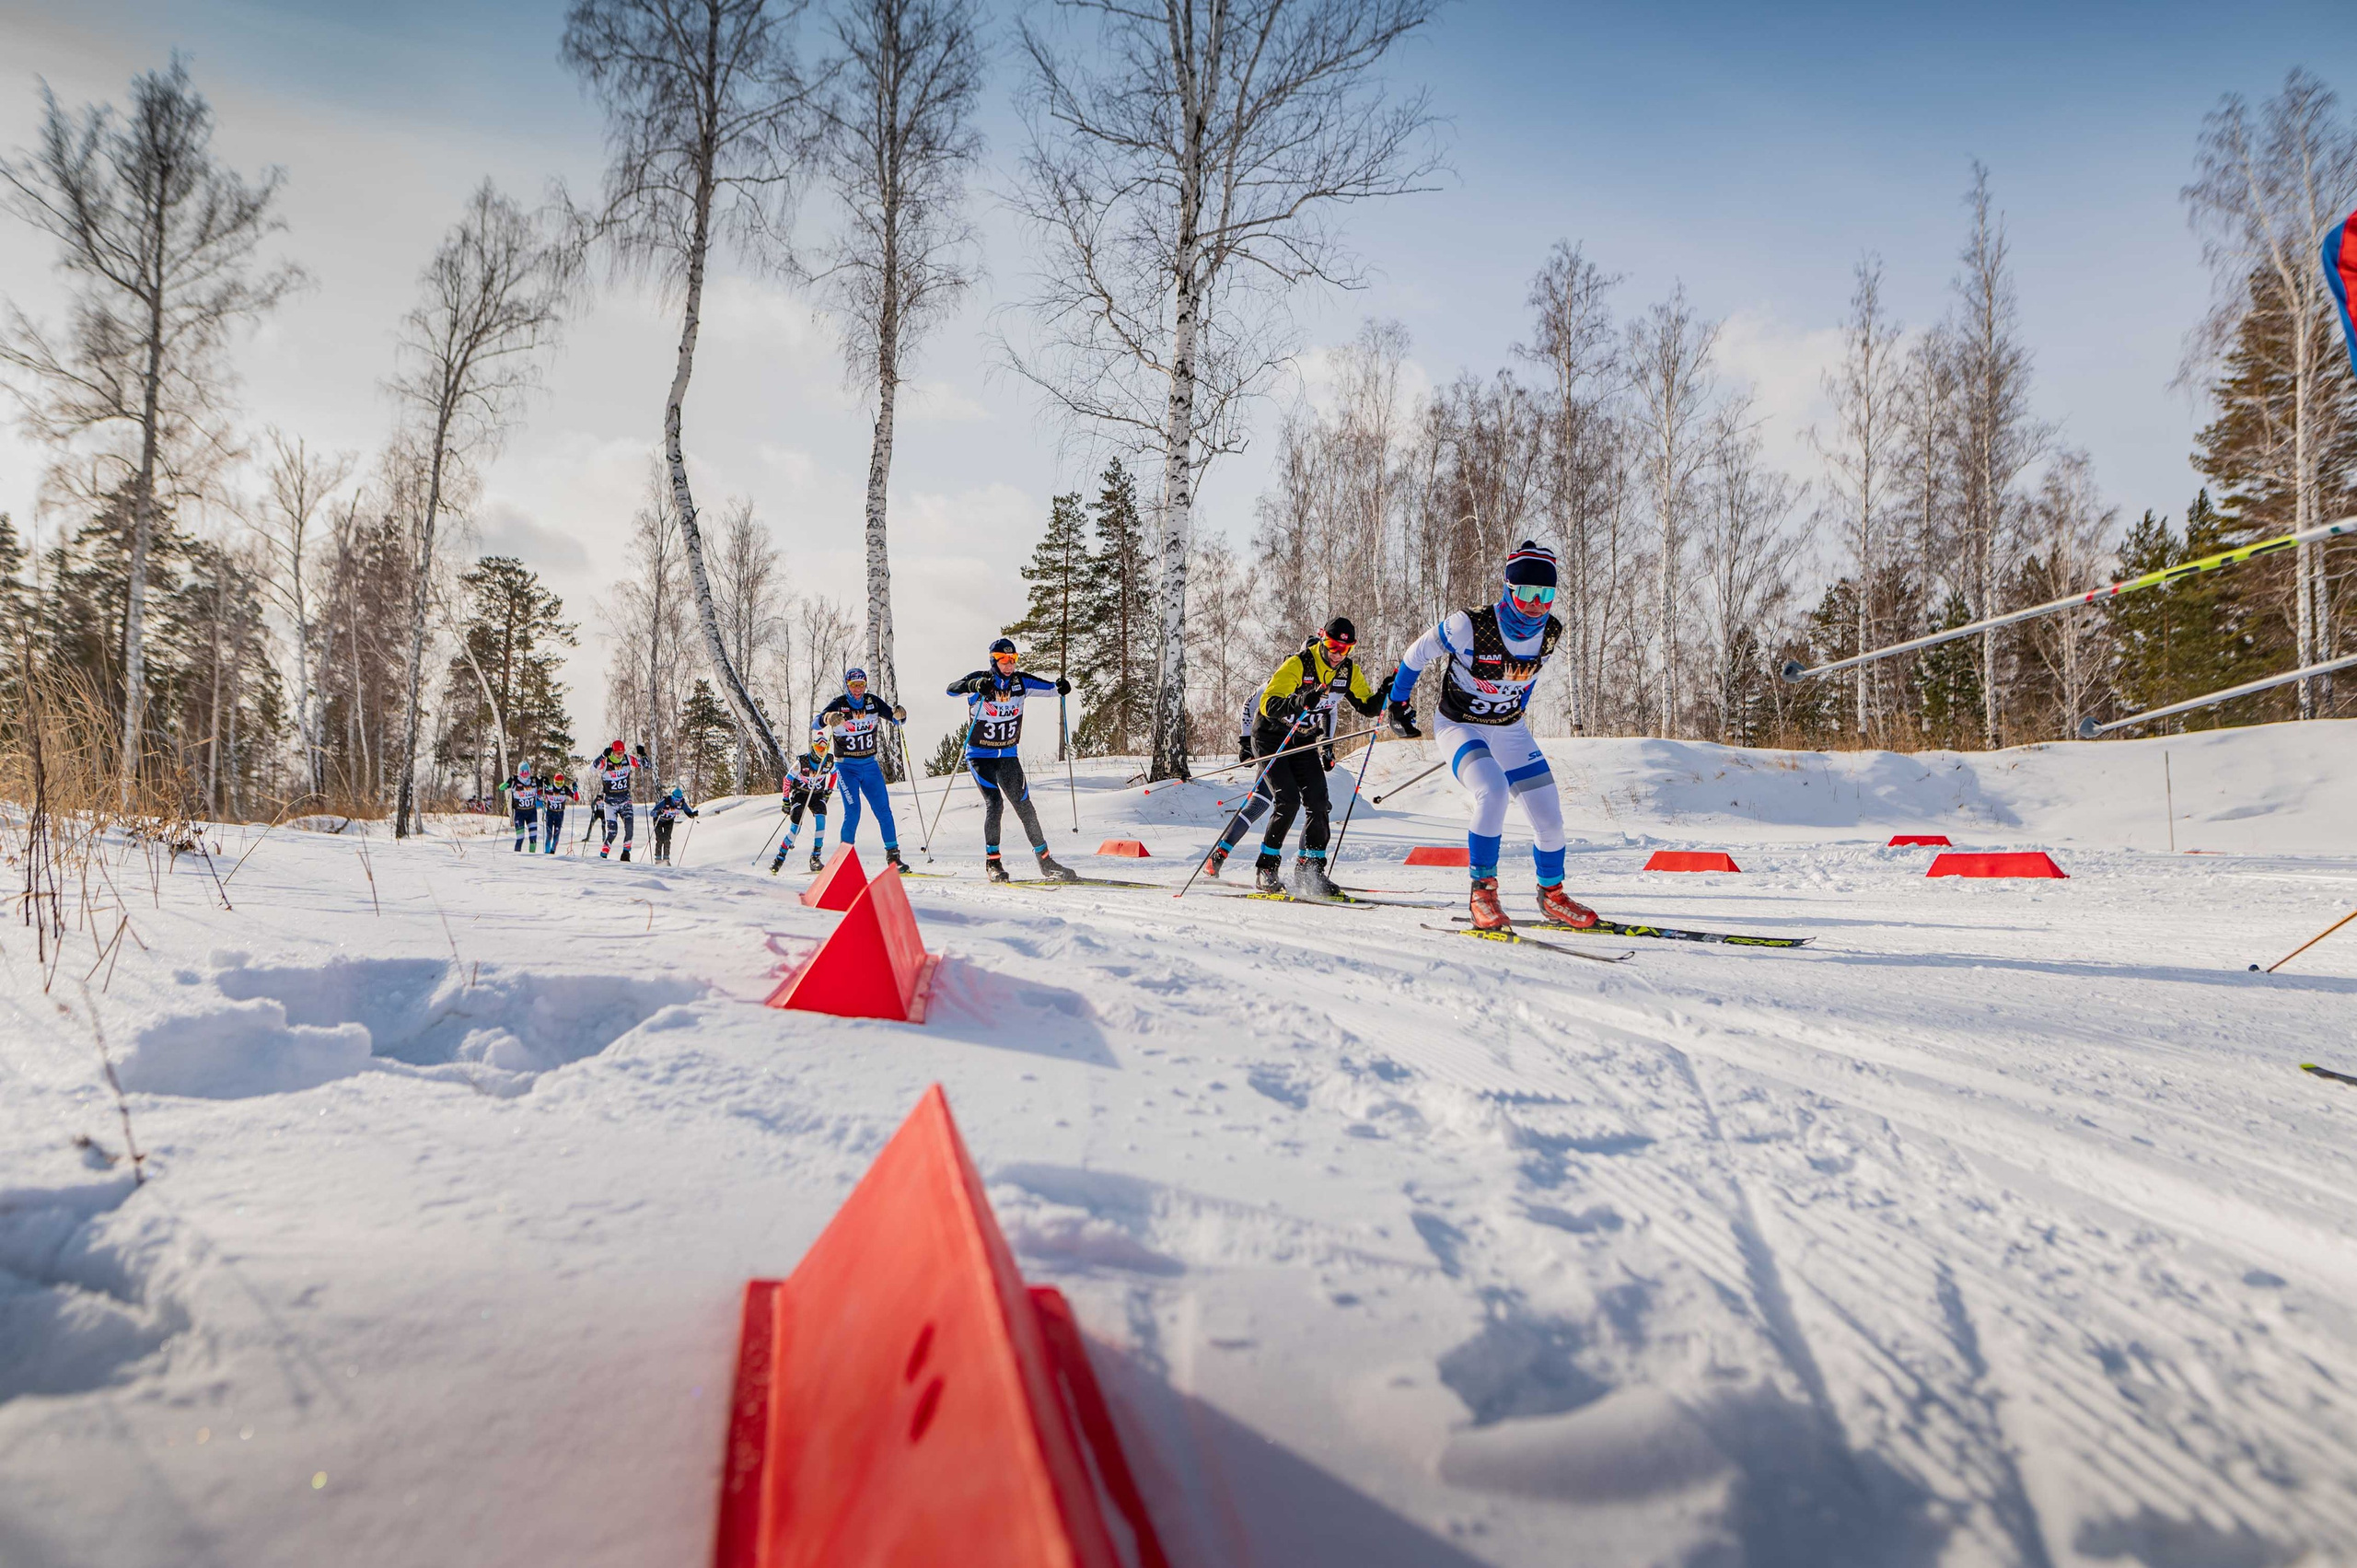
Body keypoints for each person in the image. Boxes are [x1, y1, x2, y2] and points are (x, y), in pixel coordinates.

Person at [1387, 540, 1597, 933]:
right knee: (1493, 791)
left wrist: (1511, 709)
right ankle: (1482, 892)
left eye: (1546, 595)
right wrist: (1397, 704)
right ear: (1508, 588)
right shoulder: (1470, 624)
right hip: (1459, 725)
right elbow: (1415, 655)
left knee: (1550, 817)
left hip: (1509, 729)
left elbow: (1527, 681)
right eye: (1527, 593)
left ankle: (1552, 895)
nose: (1536, 604)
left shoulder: (1550, 632)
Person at [1203, 617, 1383, 898]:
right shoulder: (1298, 664)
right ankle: (1266, 869)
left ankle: (1310, 870)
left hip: (1302, 737)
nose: (1337, 654)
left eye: (1345, 649)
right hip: (1272, 736)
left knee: (1319, 800)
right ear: (1323, 642)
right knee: (1286, 799)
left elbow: (1368, 707)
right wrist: (1300, 701)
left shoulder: (1348, 671)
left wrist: (1389, 692)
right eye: (1333, 646)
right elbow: (1267, 704)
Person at [945, 636, 1079, 883]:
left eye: (1013, 659)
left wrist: (1061, 686)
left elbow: (1051, 689)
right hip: (980, 757)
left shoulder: (1020, 682)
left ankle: (1046, 861)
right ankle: (993, 863)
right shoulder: (982, 680)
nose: (1009, 664)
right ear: (993, 660)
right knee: (995, 804)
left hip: (1008, 756)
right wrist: (975, 685)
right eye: (1004, 659)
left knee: (1025, 806)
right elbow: (952, 689)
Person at [817, 668, 908, 870]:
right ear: (847, 686)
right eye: (853, 685)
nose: (858, 690)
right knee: (853, 811)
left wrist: (900, 715)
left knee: (884, 810)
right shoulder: (839, 704)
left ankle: (893, 857)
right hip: (846, 767)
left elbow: (895, 718)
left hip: (870, 766)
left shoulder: (872, 703)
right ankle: (843, 859)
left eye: (861, 685)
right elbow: (817, 723)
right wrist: (829, 717)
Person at [770, 726, 837, 875]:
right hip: (800, 794)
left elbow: (834, 774)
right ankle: (779, 858)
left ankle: (815, 858)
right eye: (819, 747)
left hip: (817, 795)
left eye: (824, 747)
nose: (821, 751)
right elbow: (787, 780)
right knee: (796, 828)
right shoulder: (803, 761)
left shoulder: (829, 761)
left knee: (821, 819)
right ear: (814, 747)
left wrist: (829, 791)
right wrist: (785, 800)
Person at [592, 739, 648, 861]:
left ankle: (626, 853)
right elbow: (592, 768)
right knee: (612, 832)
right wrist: (602, 755)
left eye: (621, 752)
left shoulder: (627, 759)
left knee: (629, 828)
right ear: (612, 751)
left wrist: (643, 754)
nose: (620, 755)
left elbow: (647, 765)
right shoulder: (606, 761)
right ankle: (603, 855)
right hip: (610, 804)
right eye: (617, 753)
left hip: (625, 801)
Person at [652, 785, 699, 865]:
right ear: (672, 797)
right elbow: (652, 813)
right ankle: (658, 860)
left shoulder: (681, 803)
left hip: (669, 821)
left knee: (667, 839)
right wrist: (658, 812)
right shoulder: (666, 801)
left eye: (679, 799)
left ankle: (666, 859)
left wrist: (692, 814)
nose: (677, 801)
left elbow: (687, 811)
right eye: (675, 799)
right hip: (659, 821)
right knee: (660, 839)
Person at [504, 761, 542, 853]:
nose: (525, 774)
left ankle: (532, 858)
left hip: (531, 813)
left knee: (533, 839)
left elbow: (548, 787)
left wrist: (545, 782)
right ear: (519, 772)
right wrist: (507, 783)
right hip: (519, 813)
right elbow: (501, 788)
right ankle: (517, 857)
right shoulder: (515, 781)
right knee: (520, 838)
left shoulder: (534, 781)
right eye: (522, 772)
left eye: (526, 772)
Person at [541, 768, 579, 854]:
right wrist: (544, 783)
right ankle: (546, 852)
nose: (559, 785)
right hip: (550, 813)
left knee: (557, 834)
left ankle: (552, 850)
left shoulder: (565, 789)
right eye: (557, 783)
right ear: (554, 781)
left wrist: (575, 790)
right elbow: (540, 792)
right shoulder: (550, 788)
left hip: (559, 814)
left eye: (560, 783)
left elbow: (576, 798)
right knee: (549, 833)